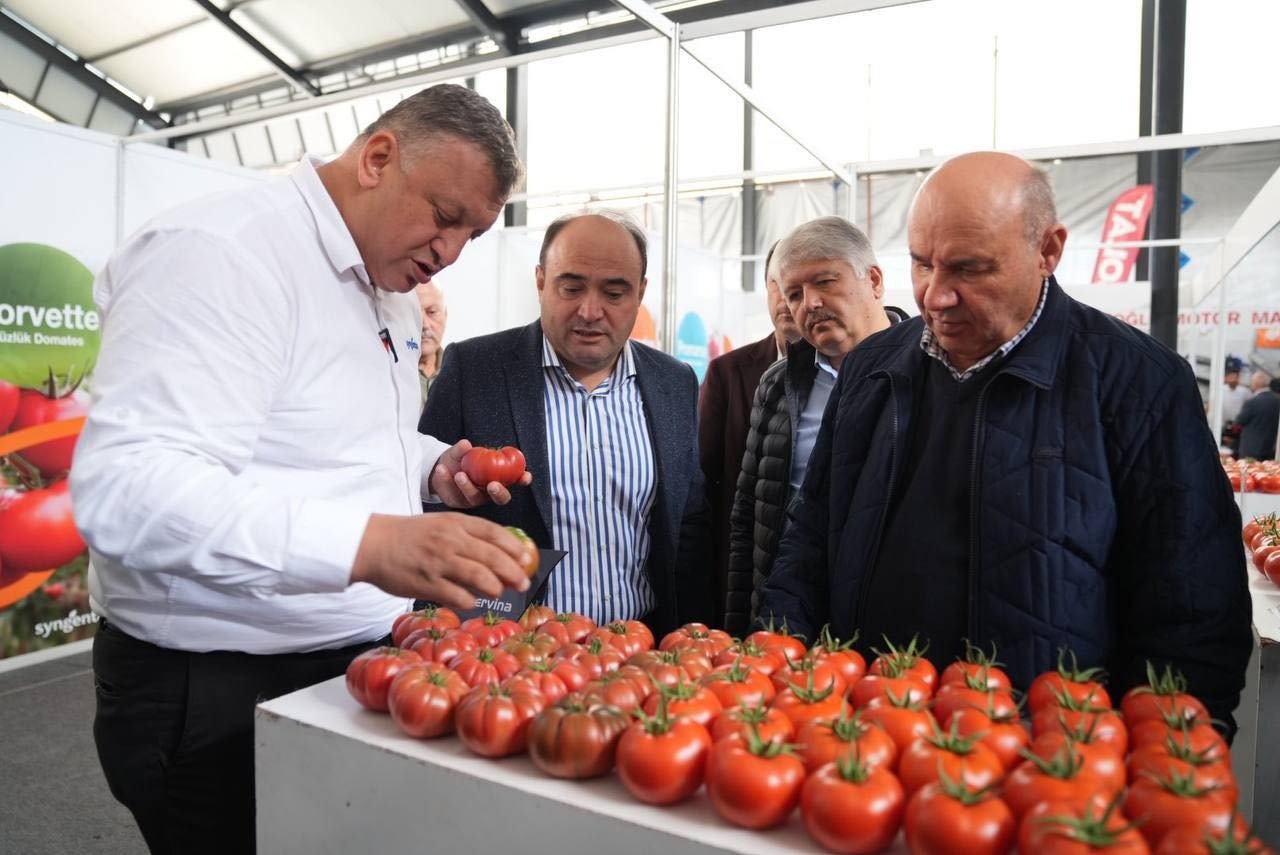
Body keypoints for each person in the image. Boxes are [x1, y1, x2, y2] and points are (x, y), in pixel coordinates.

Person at [69, 84, 534, 854]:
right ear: (379, 158)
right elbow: (130, 488)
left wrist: (430, 469)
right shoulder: (223, 251)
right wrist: (372, 544)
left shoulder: (387, 287)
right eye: (445, 216)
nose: (449, 251)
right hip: (214, 684)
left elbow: (329, 445)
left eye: (473, 235)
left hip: (346, 662)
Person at [758, 151, 1251, 733]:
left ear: (1048, 250)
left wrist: (1167, 751)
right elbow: (809, 538)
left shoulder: (1138, 382)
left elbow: (1190, 608)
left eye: (968, 269)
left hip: (1045, 757)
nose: (935, 296)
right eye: (921, 264)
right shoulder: (872, 369)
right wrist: (783, 665)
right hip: (866, 738)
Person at [420, 212, 712, 635]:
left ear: (640, 293)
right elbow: (425, 513)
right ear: (540, 281)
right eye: (571, 288)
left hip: (640, 653)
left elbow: (688, 523)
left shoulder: (674, 383)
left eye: (614, 293)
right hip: (509, 656)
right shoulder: (475, 371)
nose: (590, 311)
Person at [723, 217, 904, 636]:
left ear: (874, 280)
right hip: (788, 624)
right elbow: (748, 518)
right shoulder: (778, 383)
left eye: (825, 282)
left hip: (888, 629)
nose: (810, 303)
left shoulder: (926, 373)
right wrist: (743, 632)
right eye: (794, 294)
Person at [697, 241, 799, 626]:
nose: (788, 299)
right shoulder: (728, 372)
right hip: (744, 573)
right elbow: (704, 480)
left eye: (801, 286)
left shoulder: (852, 374)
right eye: (778, 284)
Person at [415, 279, 448, 403]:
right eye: (415, 313)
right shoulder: (389, 373)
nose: (424, 324)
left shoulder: (461, 372)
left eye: (432, 312)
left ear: (446, 315)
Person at [1237, 374, 1280, 460]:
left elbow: (1240, 421)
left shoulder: (1252, 402)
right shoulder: (1277, 401)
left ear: (1257, 384)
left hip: (1251, 449)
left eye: (1252, 382)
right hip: (1271, 449)